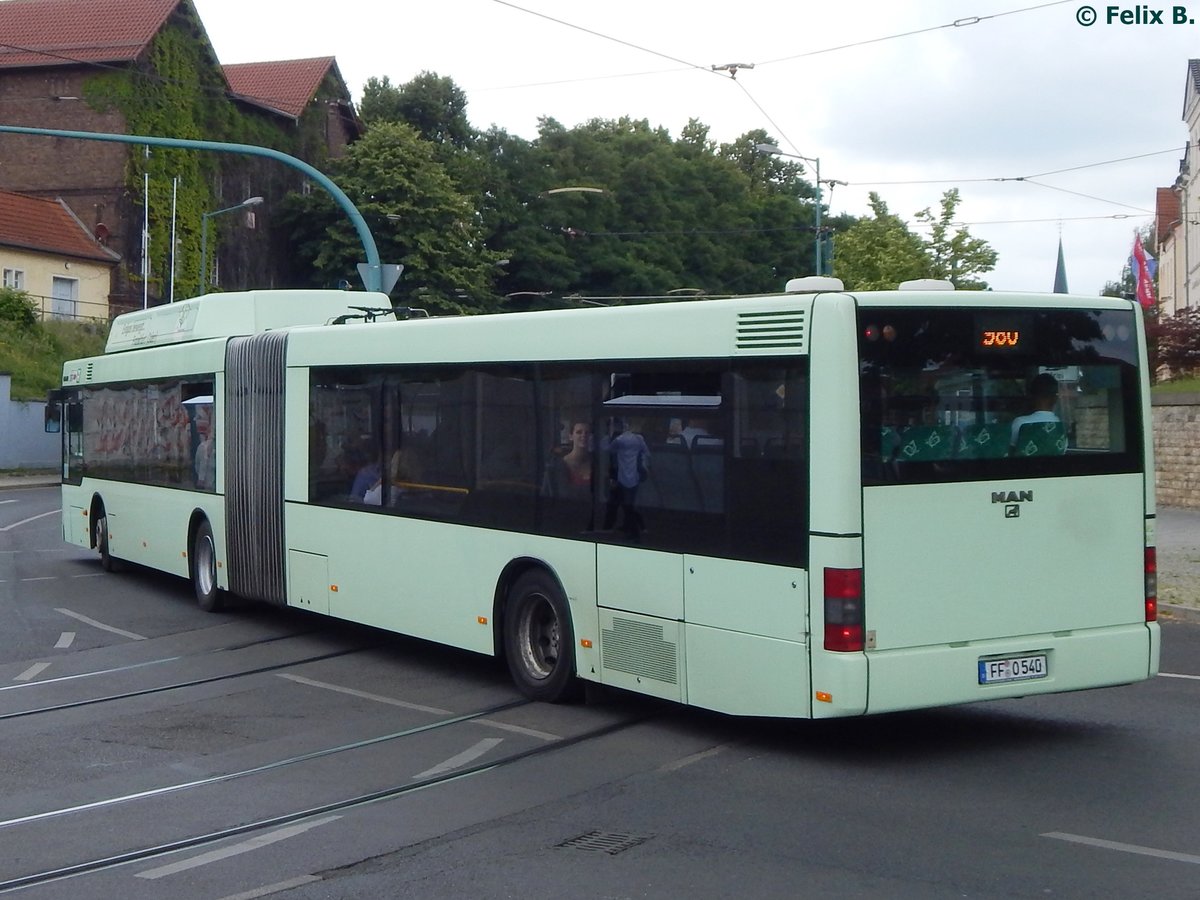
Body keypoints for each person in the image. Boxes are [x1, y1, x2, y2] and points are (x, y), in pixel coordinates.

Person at [603, 418, 650, 540]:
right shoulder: (639, 439)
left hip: (621, 477)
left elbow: (607, 450)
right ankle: (632, 527)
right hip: (633, 477)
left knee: (624, 505)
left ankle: (635, 530)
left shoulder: (619, 440)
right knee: (627, 504)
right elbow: (647, 453)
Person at [1010, 372, 1060, 446]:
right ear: (1055, 398)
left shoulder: (1020, 423)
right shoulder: (1058, 424)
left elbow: (1011, 448)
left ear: (1032, 396)